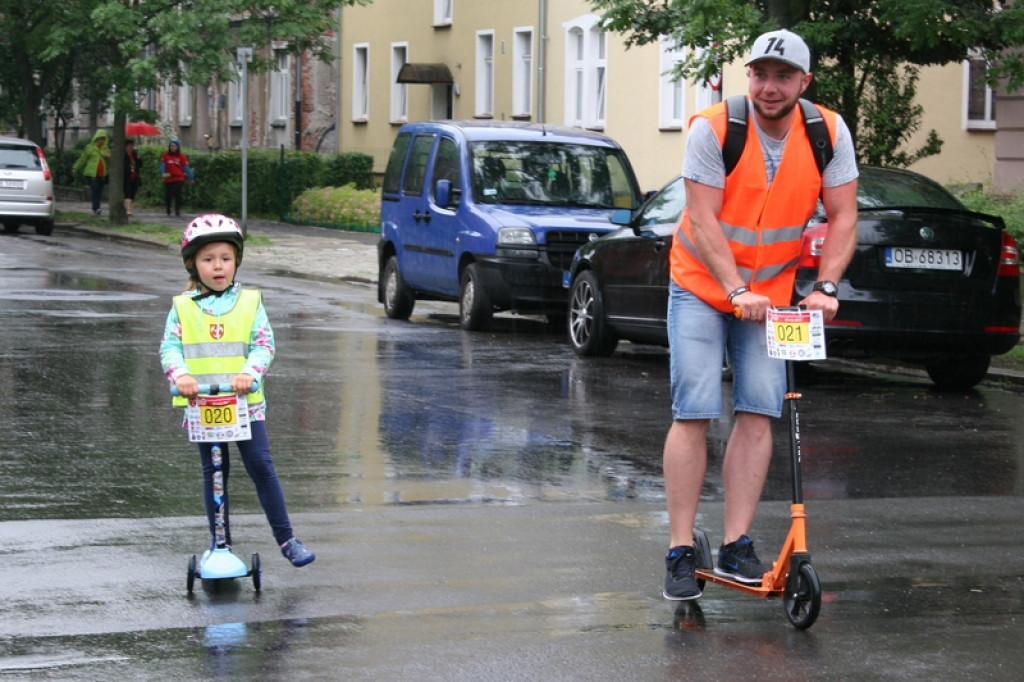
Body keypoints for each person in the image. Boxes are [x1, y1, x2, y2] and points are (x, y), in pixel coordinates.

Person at [661, 28, 859, 600]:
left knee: (758, 410)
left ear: (804, 81)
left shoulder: (828, 131)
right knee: (694, 407)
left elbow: (843, 217)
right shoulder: (715, 128)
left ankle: (736, 544)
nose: (770, 87)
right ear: (748, 76)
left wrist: (824, 284)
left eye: (783, 76)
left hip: (770, 298)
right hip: (701, 286)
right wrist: (733, 288)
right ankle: (679, 549)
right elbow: (701, 219)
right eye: (760, 74)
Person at [159, 214, 316, 568]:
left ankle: (287, 538)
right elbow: (170, 347)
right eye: (208, 259)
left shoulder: (249, 301)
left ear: (236, 262)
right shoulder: (182, 307)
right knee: (214, 471)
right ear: (193, 264)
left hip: (245, 402)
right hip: (202, 402)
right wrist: (181, 375)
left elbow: (264, 344)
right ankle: (220, 545)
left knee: (261, 465)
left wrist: (250, 373)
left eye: (226, 259)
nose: (218, 266)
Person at [71, 130, 111, 215]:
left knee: (99, 191)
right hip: (92, 174)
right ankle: (96, 208)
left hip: (102, 174)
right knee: (95, 189)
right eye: (100, 139)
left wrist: (109, 157)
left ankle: (97, 207)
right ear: (96, 139)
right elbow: (82, 159)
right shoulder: (89, 148)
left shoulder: (106, 149)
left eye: (103, 139)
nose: (102, 141)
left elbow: (110, 162)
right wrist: (75, 167)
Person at [160, 138, 194, 217]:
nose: (172, 147)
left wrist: (191, 177)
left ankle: (177, 210)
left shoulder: (182, 156)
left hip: (179, 178)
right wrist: (162, 173)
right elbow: (162, 165)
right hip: (169, 178)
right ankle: (168, 209)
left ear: (177, 147)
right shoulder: (166, 155)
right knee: (169, 195)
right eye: (171, 146)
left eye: (174, 146)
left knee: (178, 195)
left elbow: (186, 167)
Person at [123, 138, 143, 217]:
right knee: (127, 192)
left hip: (134, 177)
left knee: (132, 193)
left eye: (132, 146)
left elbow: (140, 165)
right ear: (126, 147)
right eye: (129, 146)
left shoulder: (134, 155)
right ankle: (128, 210)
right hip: (126, 177)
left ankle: (128, 208)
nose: (131, 147)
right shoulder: (123, 155)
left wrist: (139, 159)